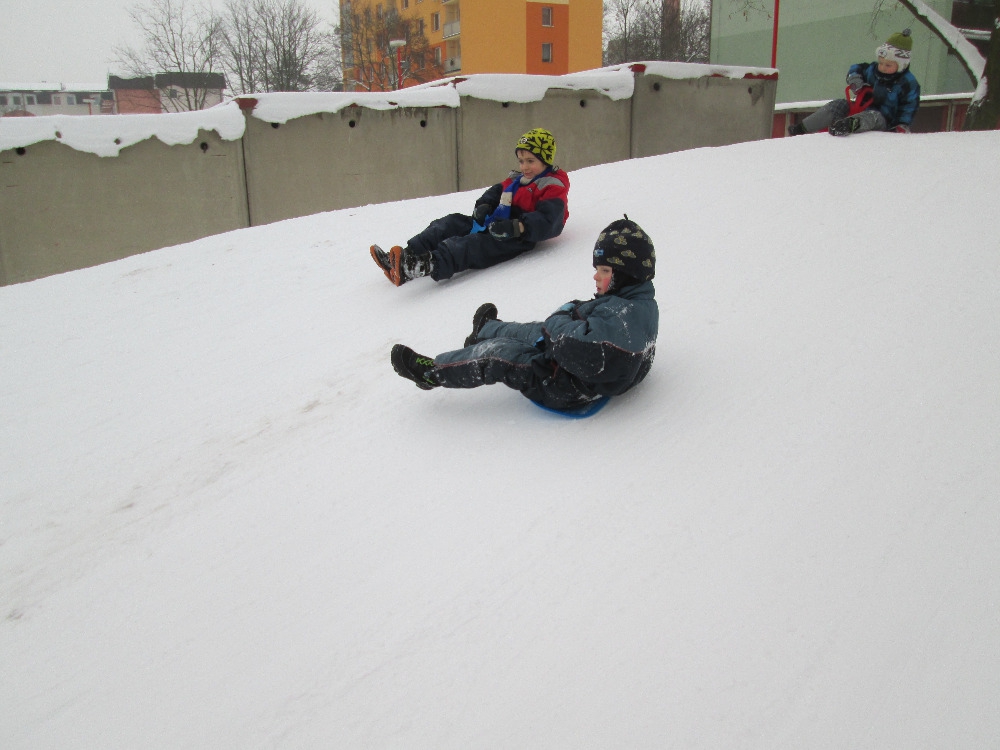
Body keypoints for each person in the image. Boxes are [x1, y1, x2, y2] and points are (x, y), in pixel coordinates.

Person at [390, 216, 658, 411]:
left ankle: (433, 372)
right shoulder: (637, 303)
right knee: (535, 331)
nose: (596, 276)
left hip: (561, 383)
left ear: (627, 273)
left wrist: (562, 315)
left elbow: (571, 343)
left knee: (502, 354)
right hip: (581, 367)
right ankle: (485, 330)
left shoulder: (618, 321)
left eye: (605, 271)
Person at [370, 128, 570, 286]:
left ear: (546, 159)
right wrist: (484, 205)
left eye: (530, 161)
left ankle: (425, 265)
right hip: (493, 221)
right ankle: (406, 256)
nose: (524, 166)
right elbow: (495, 192)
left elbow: (550, 220)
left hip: (515, 237)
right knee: (449, 223)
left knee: (470, 245)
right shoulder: (517, 179)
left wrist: (517, 227)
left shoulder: (552, 184)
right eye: (521, 161)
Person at [788, 29, 920, 137]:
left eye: (888, 65)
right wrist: (855, 78)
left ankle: (847, 125)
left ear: (902, 65)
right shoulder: (873, 70)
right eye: (881, 63)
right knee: (838, 105)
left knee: (873, 116)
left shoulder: (908, 83)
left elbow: (908, 108)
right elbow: (856, 68)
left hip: (884, 121)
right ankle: (802, 129)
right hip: (860, 107)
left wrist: (901, 125)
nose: (882, 67)